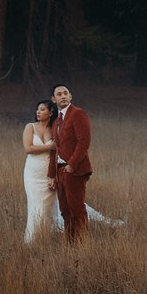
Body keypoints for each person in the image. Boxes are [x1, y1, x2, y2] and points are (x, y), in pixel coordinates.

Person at [49, 83, 92, 241]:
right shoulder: (57, 122)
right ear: (54, 99)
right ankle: (70, 244)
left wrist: (72, 165)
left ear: (71, 96)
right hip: (60, 170)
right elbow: (55, 149)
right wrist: (52, 175)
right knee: (65, 210)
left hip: (75, 169)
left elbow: (84, 142)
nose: (63, 96)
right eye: (59, 94)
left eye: (65, 93)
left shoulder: (78, 114)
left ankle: (81, 245)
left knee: (77, 209)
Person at [21, 99, 59, 244]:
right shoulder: (30, 127)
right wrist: (50, 147)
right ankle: (31, 240)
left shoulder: (54, 128)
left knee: (48, 207)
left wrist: (53, 175)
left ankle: (47, 238)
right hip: (33, 174)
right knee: (35, 205)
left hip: (48, 174)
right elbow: (28, 148)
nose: (38, 112)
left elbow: (58, 151)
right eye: (37, 109)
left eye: (42, 109)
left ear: (50, 112)